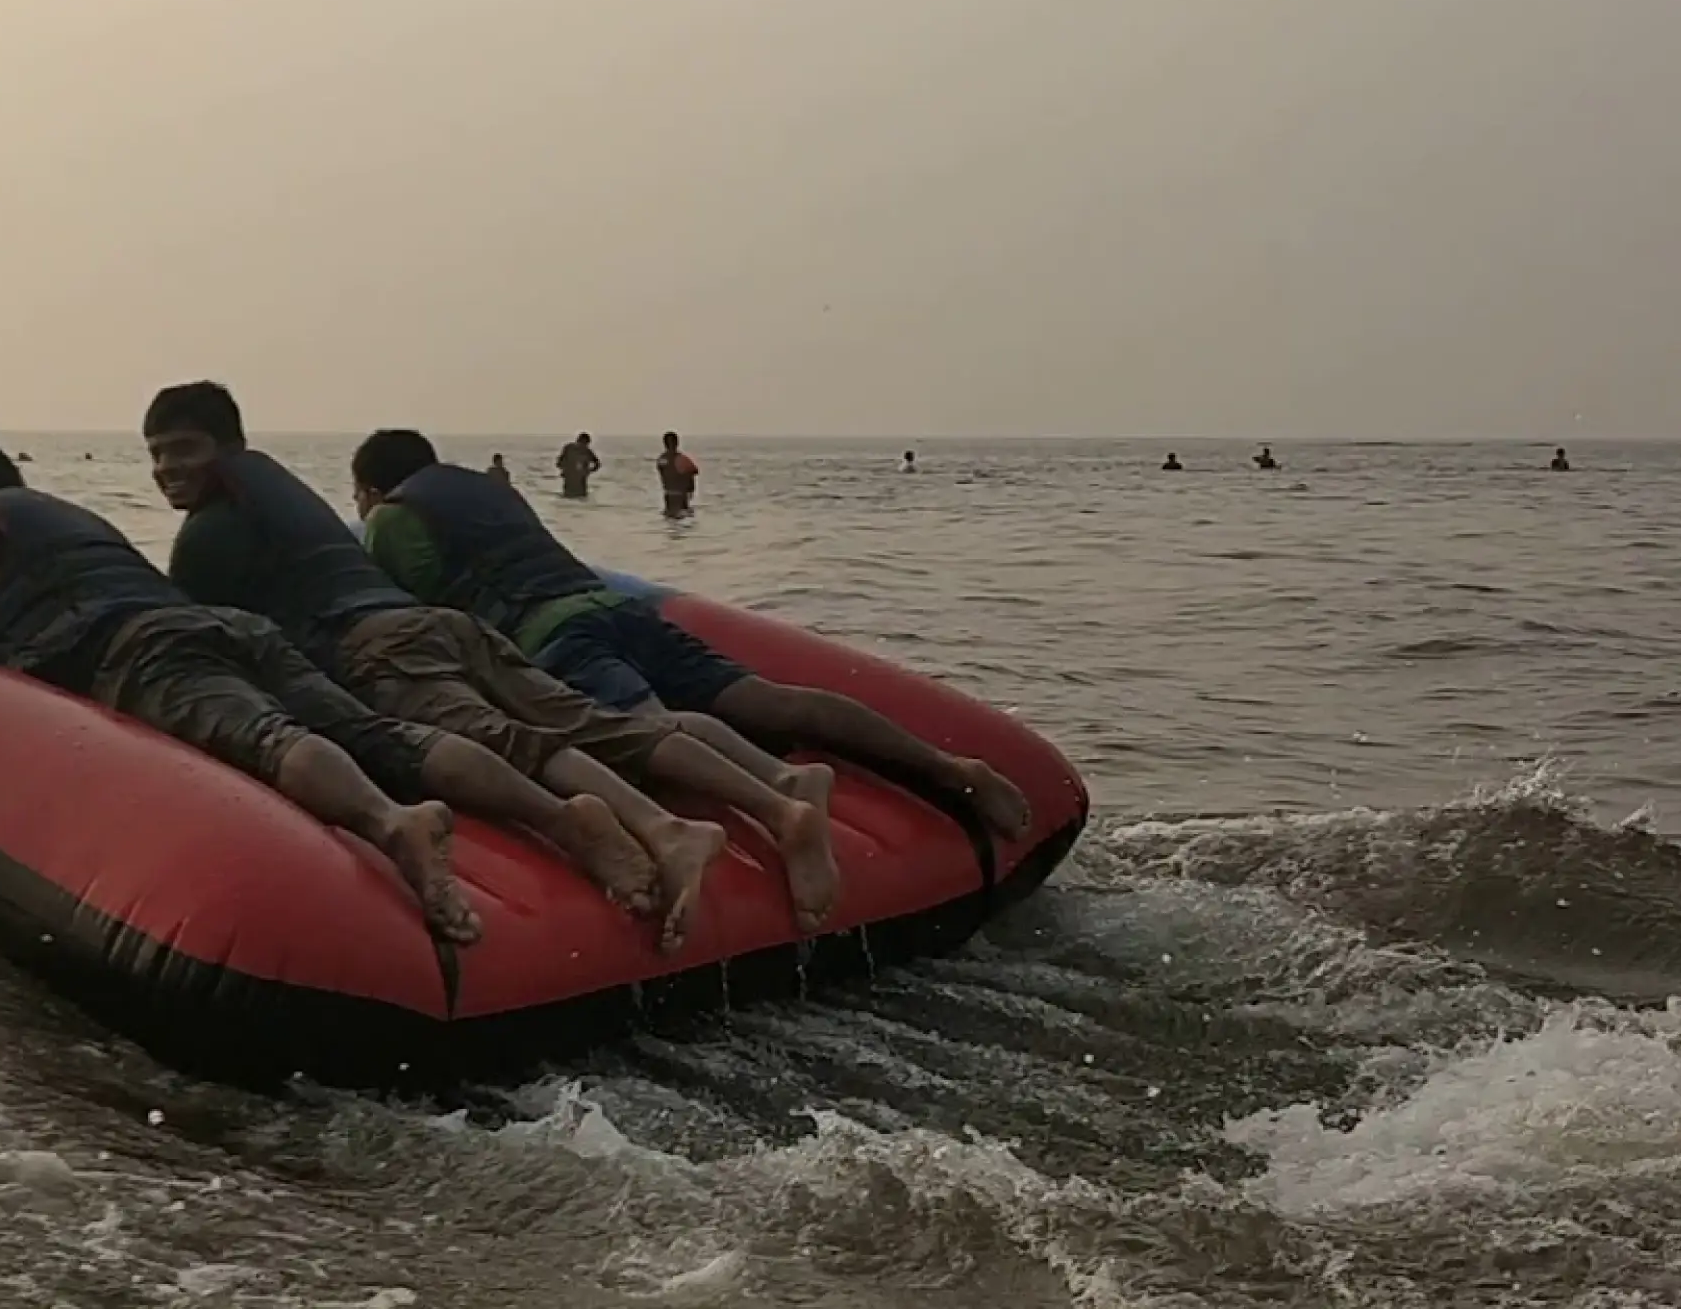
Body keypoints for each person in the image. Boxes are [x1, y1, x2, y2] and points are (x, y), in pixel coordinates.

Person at [143, 384, 839, 944]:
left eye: (185, 450)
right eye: (156, 455)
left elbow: (199, 646)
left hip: (375, 644)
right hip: (445, 625)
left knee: (512, 741)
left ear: (227, 449)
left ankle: (664, 831)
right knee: (592, 721)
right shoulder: (280, 494)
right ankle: (775, 806)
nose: (169, 468)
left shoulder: (208, 533)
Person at [0, 438, 481, 947]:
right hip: (225, 627)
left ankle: (390, 822)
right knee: (377, 734)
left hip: (143, 651)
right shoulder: (73, 519)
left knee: (270, 739)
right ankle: (557, 812)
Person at [349, 429, 1034, 846]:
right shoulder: (487, 489)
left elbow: (426, 616)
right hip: (621, 607)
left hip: (555, 634)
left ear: (370, 486)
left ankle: (786, 788)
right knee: (768, 699)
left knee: (650, 730)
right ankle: (951, 769)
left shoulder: (392, 517)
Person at [657, 432, 699, 517]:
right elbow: (694, 471)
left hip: (668, 495)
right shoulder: (681, 459)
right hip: (681, 495)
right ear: (677, 443)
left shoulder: (661, 459)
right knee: (683, 519)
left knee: (670, 517)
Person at [556, 433, 601, 499]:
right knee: (575, 498)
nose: (585, 445)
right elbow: (559, 462)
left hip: (575, 481)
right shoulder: (571, 448)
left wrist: (588, 471)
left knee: (573, 498)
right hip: (575, 481)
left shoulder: (585, 451)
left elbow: (597, 464)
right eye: (586, 443)